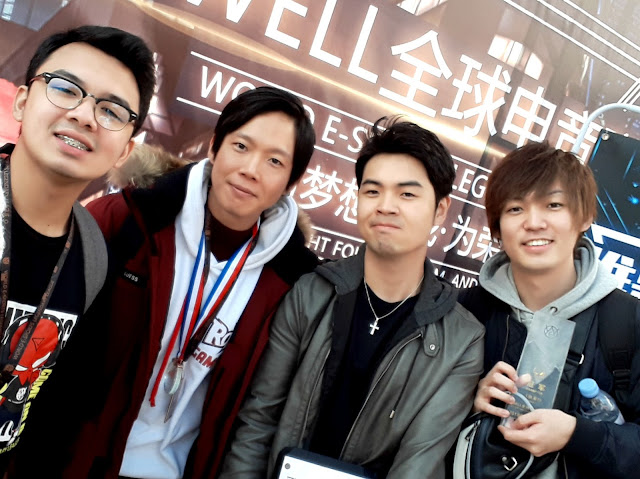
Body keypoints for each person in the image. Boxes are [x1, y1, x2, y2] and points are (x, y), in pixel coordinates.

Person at [66, 86, 318, 479]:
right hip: (83, 462)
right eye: (241, 146)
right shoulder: (129, 218)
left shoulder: (294, 283)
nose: (251, 169)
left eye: (274, 161)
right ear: (215, 147)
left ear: (291, 181)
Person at [220, 117, 485, 479]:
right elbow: (259, 420)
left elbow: (418, 464)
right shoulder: (311, 293)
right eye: (372, 191)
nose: (385, 206)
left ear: (440, 209)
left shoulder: (462, 339)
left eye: (407, 194)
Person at [0, 25, 154, 476]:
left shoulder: (92, 256)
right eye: (66, 88)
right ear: (23, 102)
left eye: (111, 110)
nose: (85, 115)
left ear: (125, 150)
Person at [458, 142, 640, 478]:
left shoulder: (628, 321)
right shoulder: (464, 311)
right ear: (497, 224)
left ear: (585, 216)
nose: (534, 222)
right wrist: (463, 401)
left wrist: (577, 434)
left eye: (553, 205)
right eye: (515, 208)